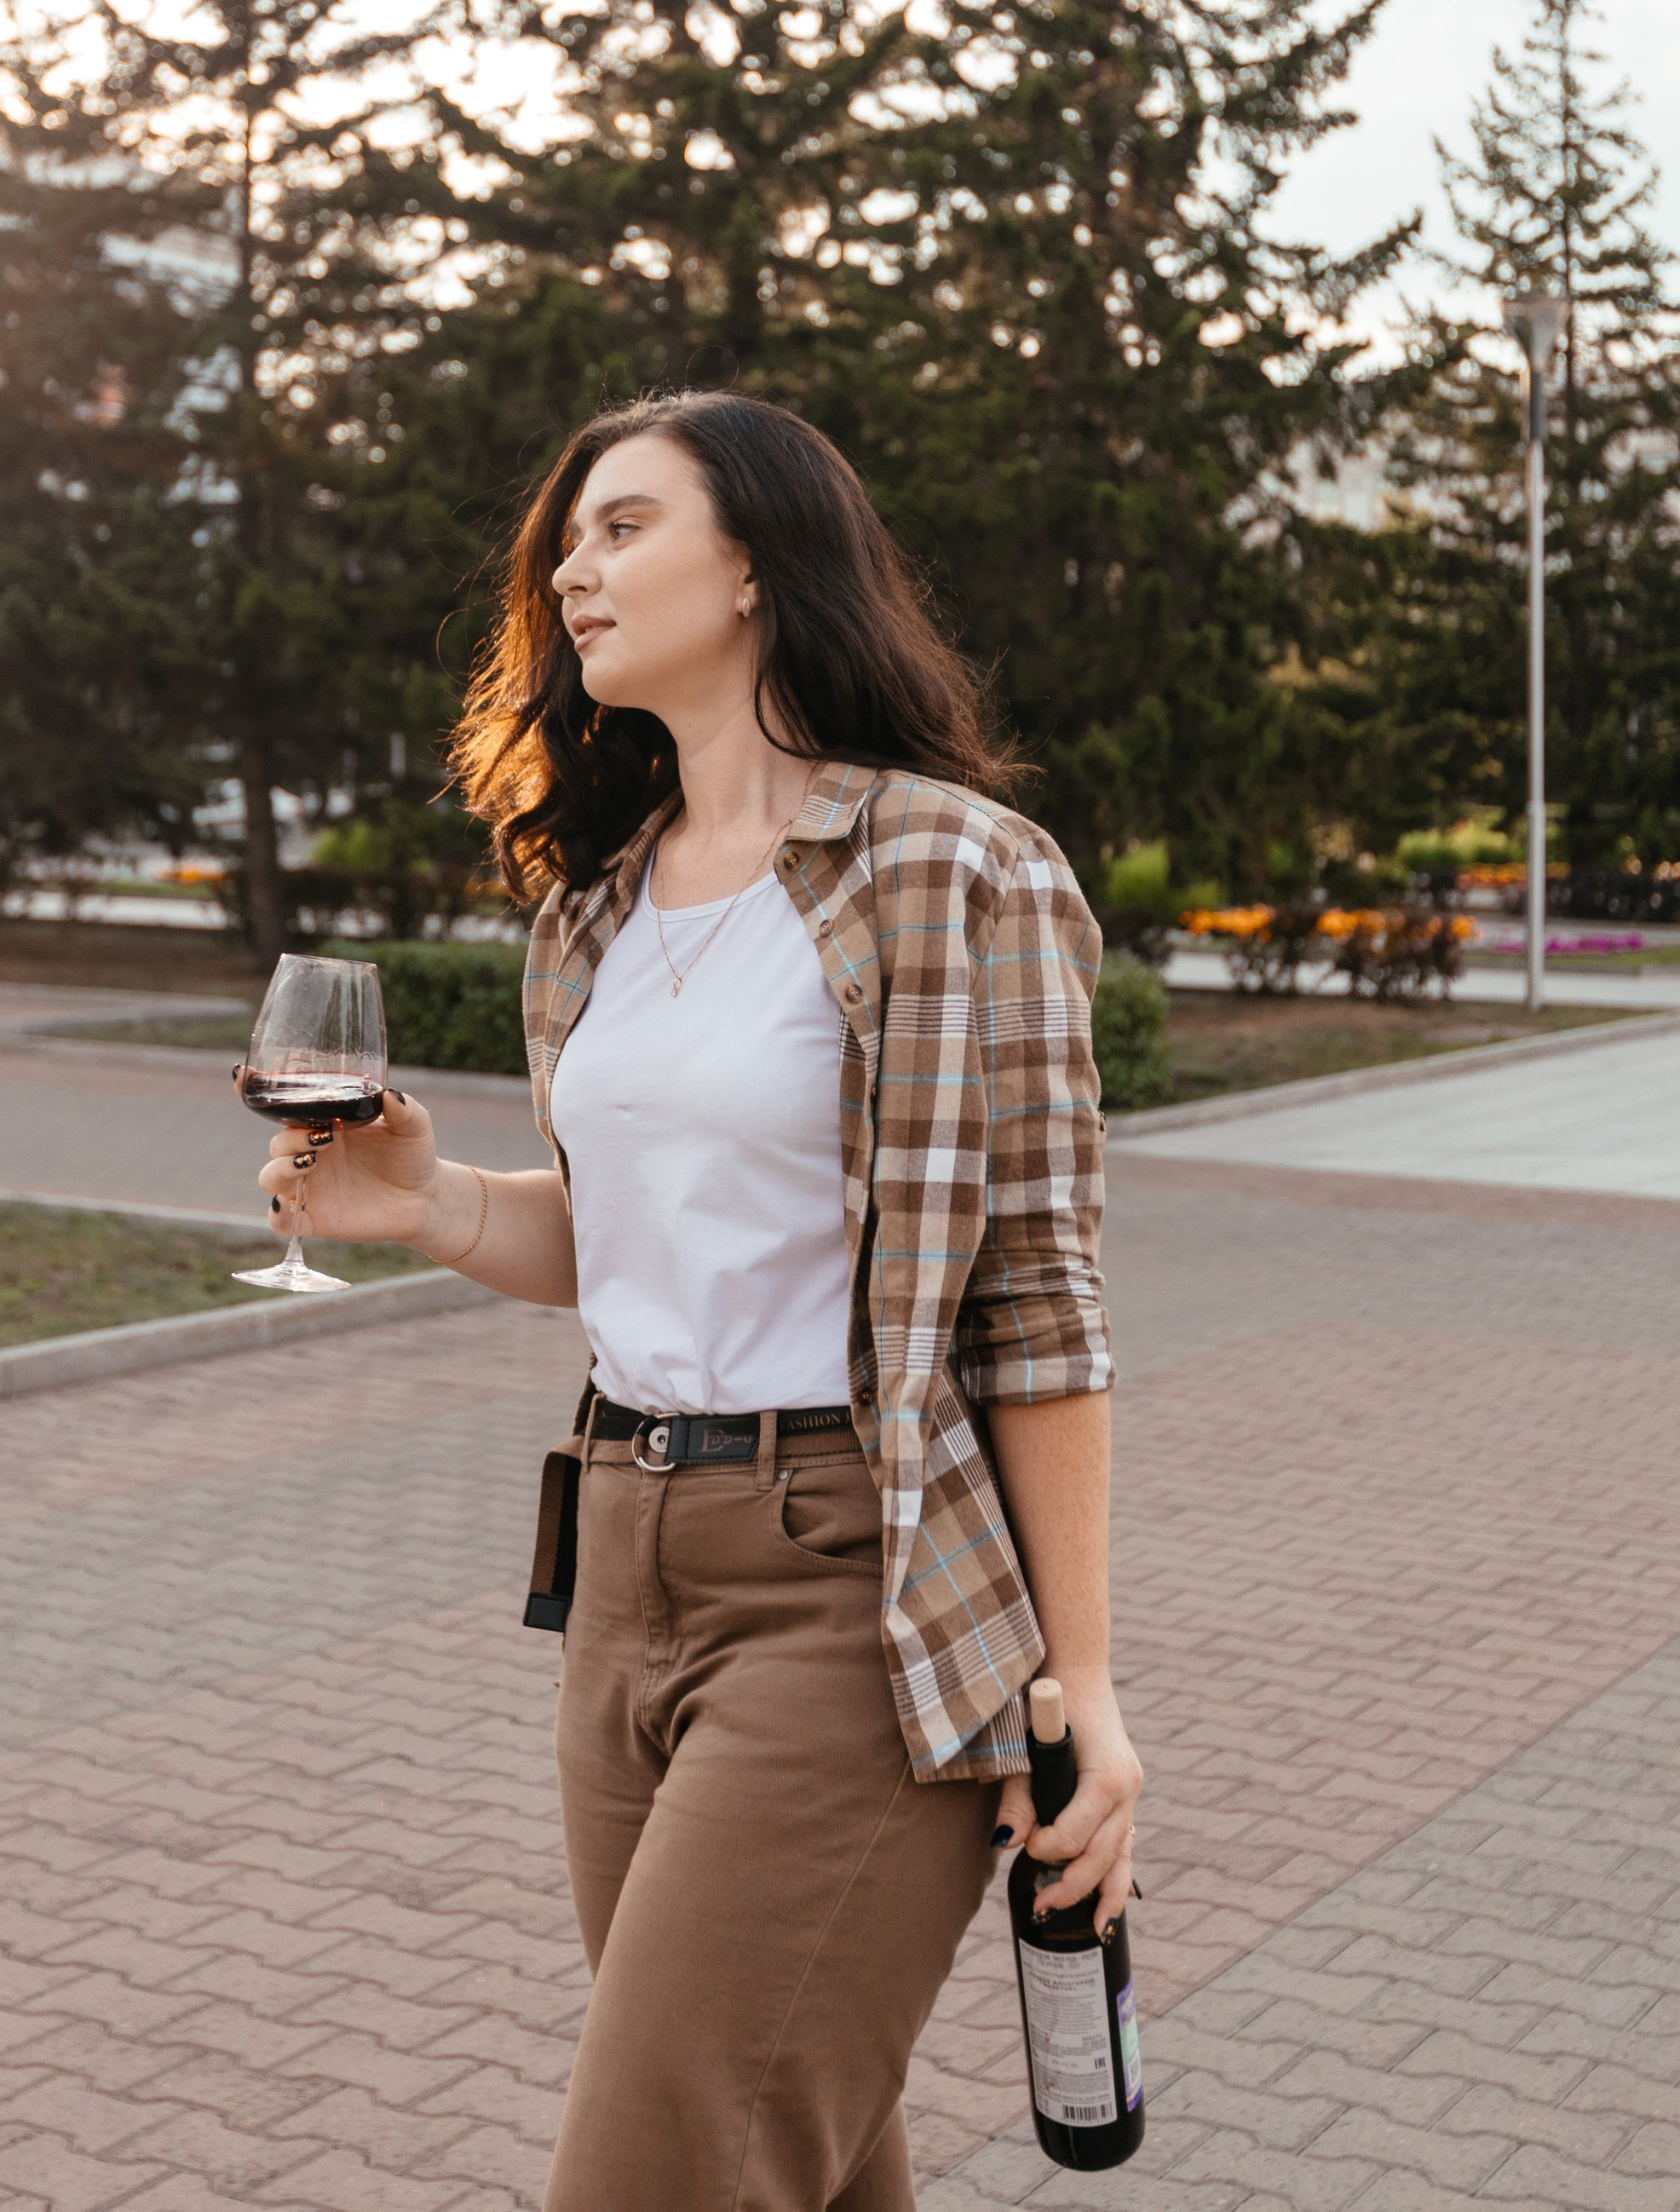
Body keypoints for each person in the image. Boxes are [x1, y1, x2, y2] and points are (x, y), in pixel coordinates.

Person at [253, 389, 1142, 2212]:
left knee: (659, 2172)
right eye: (567, 541)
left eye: (623, 527)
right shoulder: (590, 909)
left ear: (753, 565)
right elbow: (612, 1241)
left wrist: (1089, 1686)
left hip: (849, 1597)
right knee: (786, 2161)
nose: (572, 568)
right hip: (618, 1577)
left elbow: (1037, 1304)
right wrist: (422, 1201)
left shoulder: (955, 870)